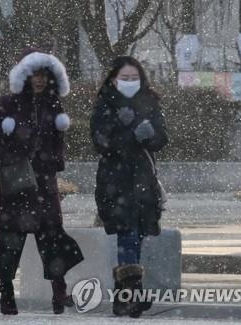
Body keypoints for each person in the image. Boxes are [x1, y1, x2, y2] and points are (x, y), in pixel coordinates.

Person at [0, 49, 84, 315]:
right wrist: (11, 159)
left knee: (52, 234)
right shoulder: (8, 103)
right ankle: (6, 292)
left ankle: (59, 292)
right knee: (10, 237)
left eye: (44, 75)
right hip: (15, 181)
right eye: (34, 75)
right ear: (25, 76)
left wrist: (53, 163)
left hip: (44, 182)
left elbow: (58, 142)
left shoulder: (53, 105)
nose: (39, 80)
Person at [90, 56, 169, 318]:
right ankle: (132, 296)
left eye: (134, 78)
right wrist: (125, 132)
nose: (129, 83)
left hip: (144, 181)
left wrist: (149, 135)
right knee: (127, 234)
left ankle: (123, 298)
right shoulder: (105, 105)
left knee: (137, 236)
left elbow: (161, 138)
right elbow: (101, 142)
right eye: (125, 78)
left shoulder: (149, 102)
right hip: (115, 183)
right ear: (114, 79)